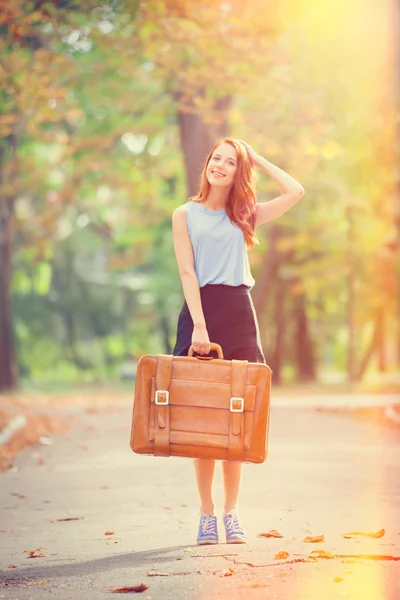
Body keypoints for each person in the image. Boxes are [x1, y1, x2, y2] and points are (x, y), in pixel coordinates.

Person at [171, 138, 304, 545]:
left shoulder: (244, 214)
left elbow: (295, 192)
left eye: (231, 162)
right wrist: (199, 327)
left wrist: (257, 157)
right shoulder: (184, 214)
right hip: (200, 313)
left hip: (238, 313)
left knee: (235, 419)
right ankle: (206, 513)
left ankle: (232, 512)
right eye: (216, 158)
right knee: (201, 420)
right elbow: (188, 274)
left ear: (237, 170)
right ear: (206, 163)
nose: (221, 166)